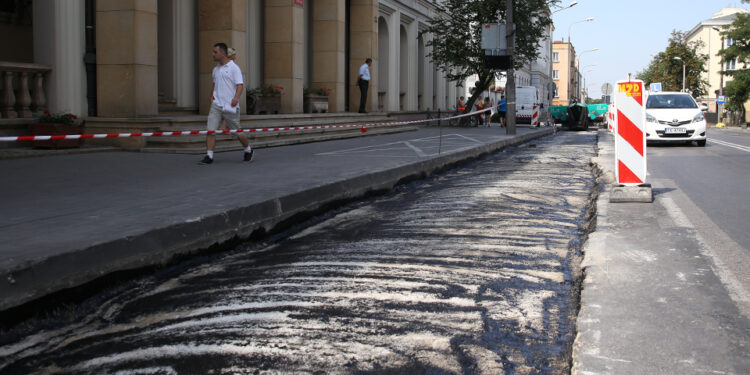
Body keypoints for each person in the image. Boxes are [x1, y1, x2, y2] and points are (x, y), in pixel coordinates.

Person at [199, 42, 253, 165]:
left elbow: (240, 85)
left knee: (237, 131)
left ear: (223, 53)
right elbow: (214, 83)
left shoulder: (234, 68)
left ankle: (248, 150)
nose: (213, 54)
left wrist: (236, 98)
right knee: (211, 130)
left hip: (230, 105)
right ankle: (209, 155)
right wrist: (212, 95)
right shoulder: (215, 69)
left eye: (215, 52)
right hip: (217, 104)